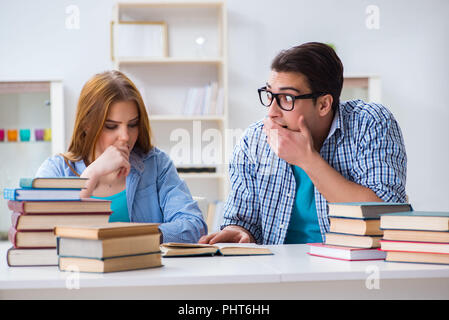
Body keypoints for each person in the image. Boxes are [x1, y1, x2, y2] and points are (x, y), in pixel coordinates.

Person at [199, 42, 407, 245]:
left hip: (353, 269)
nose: (272, 111)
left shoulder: (370, 122)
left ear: (324, 104)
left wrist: (307, 159)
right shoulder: (254, 140)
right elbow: (242, 221)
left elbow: (384, 212)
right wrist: (238, 232)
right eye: (270, 94)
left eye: (287, 98)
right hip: (279, 271)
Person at [36, 70, 207, 243]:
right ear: (86, 125)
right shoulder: (55, 169)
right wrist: (91, 174)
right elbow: (39, 233)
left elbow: (194, 225)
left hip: (146, 270)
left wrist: (133, 237)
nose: (125, 136)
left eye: (132, 124)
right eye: (111, 126)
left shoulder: (156, 164)